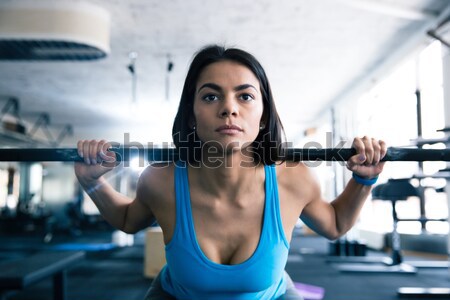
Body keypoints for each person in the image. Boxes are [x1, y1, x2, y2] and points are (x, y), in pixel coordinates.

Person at [74, 45, 386, 299]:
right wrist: (92, 182)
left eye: (245, 96)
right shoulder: (161, 179)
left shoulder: (294, 178)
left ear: (263, 116)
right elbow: (129, 221)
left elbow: (334, 225)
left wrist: (364, 178)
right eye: (211, 96)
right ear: (192, 115)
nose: (229, 108)